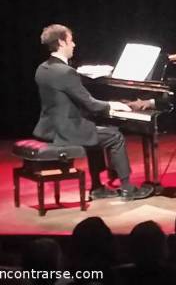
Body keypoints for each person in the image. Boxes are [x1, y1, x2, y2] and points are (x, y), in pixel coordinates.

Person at [33, 24, 153, 201]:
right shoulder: (66, 72)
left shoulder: (42, 68)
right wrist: (113, 105)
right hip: (67, 131)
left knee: (93, 129)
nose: (73, 44)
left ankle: (97, 187)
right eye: (70, 40)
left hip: (49, 129)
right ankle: (127, 188)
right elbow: (90, 104)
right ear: (61, 42)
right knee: (115, 136)